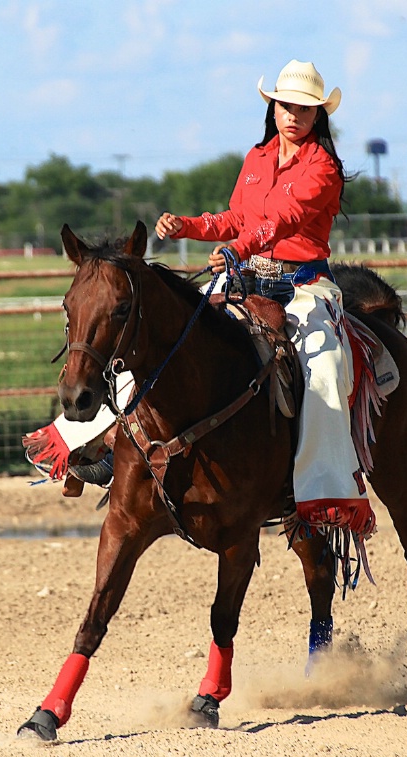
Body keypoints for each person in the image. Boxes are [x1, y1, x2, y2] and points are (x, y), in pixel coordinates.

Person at [155, 59, 376, 541]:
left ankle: (324, 491)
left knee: (323, 367)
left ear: (318, 115)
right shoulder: (256, 159)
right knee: (176, 335)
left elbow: (283, 219)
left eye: (304, 108)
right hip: (247, 277)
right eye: (286, 105)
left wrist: (236, 249)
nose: (293, 115)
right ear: (273, 108)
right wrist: (188, 227)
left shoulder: (324, 166)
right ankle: (100, 448)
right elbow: (235, 217)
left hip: (303, 286)